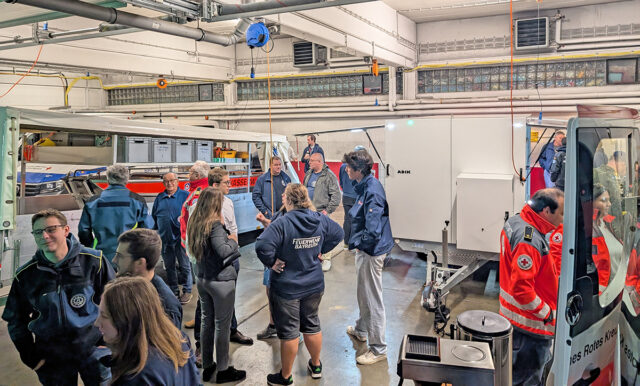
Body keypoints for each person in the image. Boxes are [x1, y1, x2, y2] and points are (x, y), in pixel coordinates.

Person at [2, 208, 115, 385]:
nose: (45, 236)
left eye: (51, 229)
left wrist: (110, 344)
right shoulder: (26, 275)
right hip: (52, 358)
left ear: (66, 230)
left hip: (94, 351)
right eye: (38, 232)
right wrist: (31, 357)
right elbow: (15, 320)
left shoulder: (94, 262)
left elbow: (117, 305)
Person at [255, 184, 343, 385]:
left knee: (289, 332)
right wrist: (320, 251)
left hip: (287, 287)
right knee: (312, 323)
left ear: (288, 201)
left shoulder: (283, 223)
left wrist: (272, 262)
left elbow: (261, 245)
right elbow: (338, 233)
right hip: (314, 284)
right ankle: (316, 364)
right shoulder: (319, 219)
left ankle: (285, 376)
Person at [499, 188, 564, 386]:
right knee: (525, 380)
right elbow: (522, 290)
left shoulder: (517, 221)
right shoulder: (530, 240)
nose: (563, 220)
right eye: (561, 213)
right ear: (546, 211)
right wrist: (547, 313)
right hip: (529, 328)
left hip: (515, 322)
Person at [187, 187, 247, 383]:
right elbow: (223, 251)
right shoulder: (214, 226)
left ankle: (207, 365)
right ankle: (223, 370)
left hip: (203, 279)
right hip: (221, 281)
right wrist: (232, 241)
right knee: (223, 326)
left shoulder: (195, 223)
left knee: (206, 322)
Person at [95, 276, 199, 385]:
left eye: (104, 316)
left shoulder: (134, 378)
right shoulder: (179, 339)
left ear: (126, 321)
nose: (97, 323)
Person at [342, 149, 394, 365]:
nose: (346, 169)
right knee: (363, 292)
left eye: (349, 167)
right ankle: (362, 330)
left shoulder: (372, 190)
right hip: (366, 250)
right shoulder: (365, 185)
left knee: (373, 298)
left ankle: (379, 348)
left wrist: (359, 244)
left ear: (358, 170)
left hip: (371, 251)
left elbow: (372, 232)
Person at [208, 167, 253, 345]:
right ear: (214, 185)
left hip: (231, 256)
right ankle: (202, 343)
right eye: (227, 182)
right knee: (207, 300)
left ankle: (231, 330)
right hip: (214, 260)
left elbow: (233, 229)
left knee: (230, 295)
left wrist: (232, 243)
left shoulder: (228, 201)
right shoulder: (202, 205)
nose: (230, 185)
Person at [78, 164, 153, 263]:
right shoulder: (137, 201)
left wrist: (91, 247)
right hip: (128, 257)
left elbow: (83, 231)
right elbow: (147, 230)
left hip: (101, 257)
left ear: (108, 179)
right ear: (127, 180)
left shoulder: (92, 202)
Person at [113, 229, 183, 330]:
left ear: (140, 263)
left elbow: (167, 344)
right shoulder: (130, 286)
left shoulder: (165, 307)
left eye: (120, 256)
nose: (114, 260)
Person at [152, 172, 192, 304]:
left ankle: (187, 290)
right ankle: (174, 291)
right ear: (163, 183)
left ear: (177, 181)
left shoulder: (185, 196)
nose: (169, 183)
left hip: (181, 239)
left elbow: (192, 216)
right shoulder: (160, 197)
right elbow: (154, 216)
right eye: (166, 181)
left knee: (185, 266)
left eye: (172, 181)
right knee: (169, 267)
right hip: (165, 239)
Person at [304, 153, 341, 271]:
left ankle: (326, 259)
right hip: (308, 211)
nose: (309, 162)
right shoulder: (309, 174)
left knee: (324, 235)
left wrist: (328, 210)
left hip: (321, 211)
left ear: (319, 162)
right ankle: (312, 258)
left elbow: (336, 195)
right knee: (310, 236)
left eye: (312, 161)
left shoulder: (329, 176)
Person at [594, 150, 627, 238]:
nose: (624, 168)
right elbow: (615, 204)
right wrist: (618, 230)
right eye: (624, 165)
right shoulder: (607, 176)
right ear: (618, 162)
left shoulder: (604, 173)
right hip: (609, 223)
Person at [339, 146, 363, 250]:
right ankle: (354, 243)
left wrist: (346, 190)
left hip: (346, 196)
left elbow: (340, 181)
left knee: (347, 219)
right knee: (357, 220)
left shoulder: (342, 166)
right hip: (356, 197)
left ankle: (346, 243)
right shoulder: (359, 167)